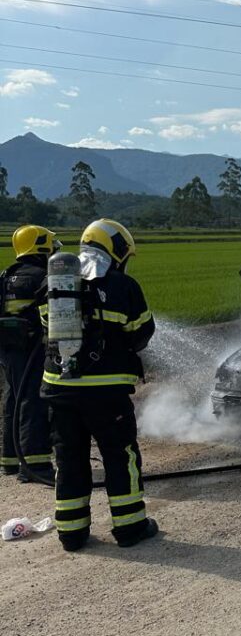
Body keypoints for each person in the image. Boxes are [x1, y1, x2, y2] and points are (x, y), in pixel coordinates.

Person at [41, 219, 158, 551]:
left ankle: (72, 533)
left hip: (59, 388)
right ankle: (130, 526)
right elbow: (141, 333)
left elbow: (43, 324)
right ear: (116, 250)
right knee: (119, 456)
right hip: (106, 392)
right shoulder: (123, 286)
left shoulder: (56, 283)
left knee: (70, 459)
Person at [0, 225, 60, 482]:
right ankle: (35, 464)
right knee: (34, 400)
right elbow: (51, 317)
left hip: (8, 349)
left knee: (13, 397)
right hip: (33, 348)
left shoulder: (6, 275)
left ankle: (10, 461)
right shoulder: (41, 275)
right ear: (39, 246)